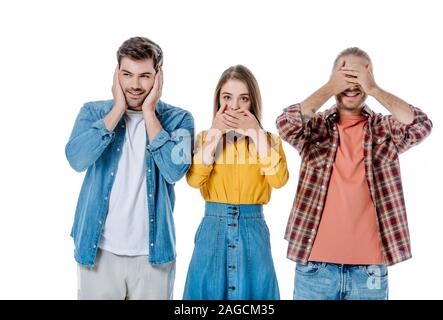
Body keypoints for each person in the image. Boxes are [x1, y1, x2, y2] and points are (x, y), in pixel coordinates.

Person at [276, 47, 432, 300]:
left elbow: (421, 125)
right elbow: (285, 123)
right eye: (344, 75)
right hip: (315, 268)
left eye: (358, 76)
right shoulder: (315, 128)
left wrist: (374, 90)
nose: (351, 83)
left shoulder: (384, 128)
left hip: (369, 272)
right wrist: (330, 87)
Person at [65, 36, 194, 299]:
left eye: (145, 76)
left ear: (159, 77)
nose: (135, 84)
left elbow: (174, 170)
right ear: (116, 75)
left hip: (153, 255)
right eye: (127, 74)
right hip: (99, 250)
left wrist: (149, 112)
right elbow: (76, 159)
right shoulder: (93, 113)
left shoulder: (179, 119)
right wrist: (118, 109)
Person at [183, 65, 289, 299]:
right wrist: (215, 133)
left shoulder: (269, 140)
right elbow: (193, 180)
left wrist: (255, 134)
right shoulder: (204, 138)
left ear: (253, 103)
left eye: (244, 99)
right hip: (213, 230)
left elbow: (279, 180)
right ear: (218, 100)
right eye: (227, 97)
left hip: (253, 229)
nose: (234, 106)